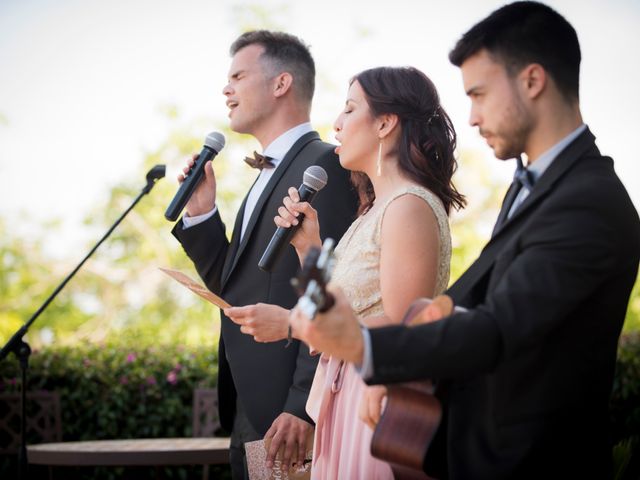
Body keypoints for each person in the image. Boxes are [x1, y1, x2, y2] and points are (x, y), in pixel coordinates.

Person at [289, 2, 640, 479]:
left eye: (479, 93)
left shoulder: (589, 200)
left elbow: (500, 327)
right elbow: (471, 298)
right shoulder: (534, 184)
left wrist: (371, 351)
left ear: (532, 81)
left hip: (539, 461)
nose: (470, 117)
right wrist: (400, 365)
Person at [225, 65, 465, 478]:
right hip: (342, 396)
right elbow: (344, 306)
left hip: (372, 404)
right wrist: (310, 248)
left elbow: (407, 329)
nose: (336, 123)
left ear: (385, 123)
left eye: (350, 109)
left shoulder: (408, 205)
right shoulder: (373, 210)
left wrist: (291, 324)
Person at [171, 30, 358, 479]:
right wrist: (202, 215)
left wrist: (302, 405)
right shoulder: (264, 176)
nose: (226, 89)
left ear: (281, 84)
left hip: (289, 415)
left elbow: (329, 287)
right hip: (249, 406)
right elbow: (235, 289)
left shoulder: (324, 165)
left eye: (238, 75)